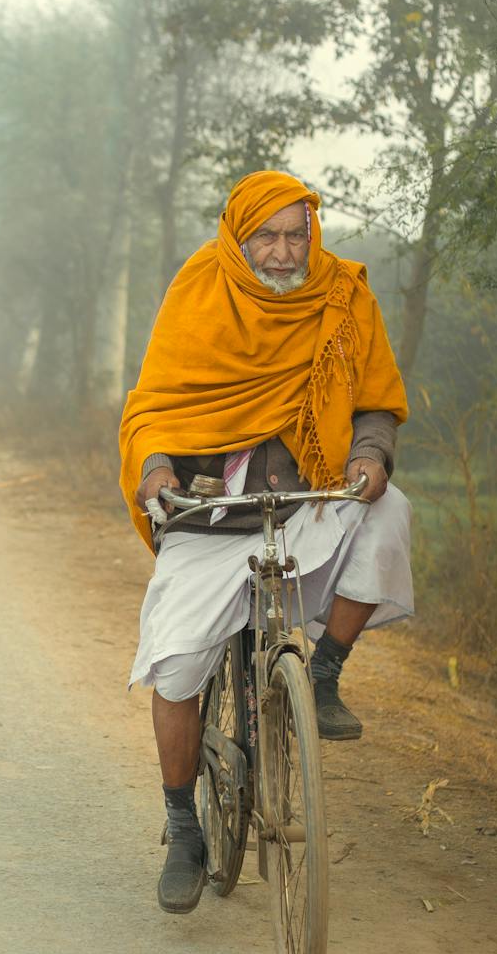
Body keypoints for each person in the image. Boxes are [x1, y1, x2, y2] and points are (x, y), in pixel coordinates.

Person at [117, 170, 414, 914]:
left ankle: (323, 675)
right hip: (213, 515)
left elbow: (377, 402)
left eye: (296, 235)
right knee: (179, 666)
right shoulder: (199, 287)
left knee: (392, 513)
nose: (284, 253)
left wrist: (370, 458)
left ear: (312, 234)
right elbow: (154, 403)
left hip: (310, 499)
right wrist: (157, 471)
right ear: (239, 240)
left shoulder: (344, 297)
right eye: (268, 238)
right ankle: (184, 825)